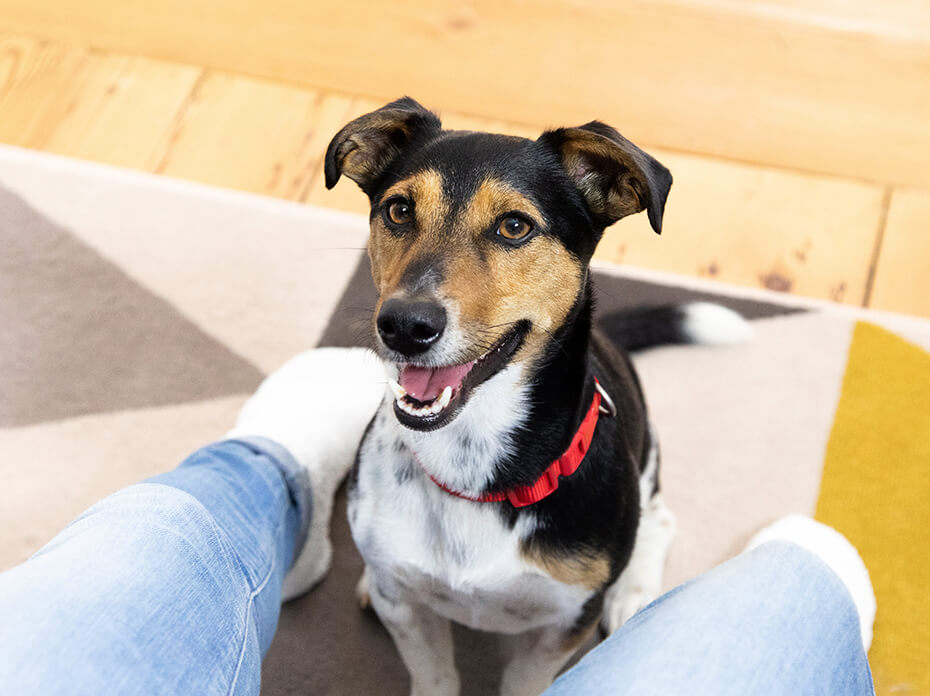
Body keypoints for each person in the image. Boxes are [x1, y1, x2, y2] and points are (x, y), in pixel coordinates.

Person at [0, 348, 876, 695]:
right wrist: (437, 686)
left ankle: (263, 476)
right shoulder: (382, 494)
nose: (419, 297)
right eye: (400, 213)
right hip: (401, 509)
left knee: (100, 600)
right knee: (792, 599)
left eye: (512, 230)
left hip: (576, 514)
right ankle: (807, 585)